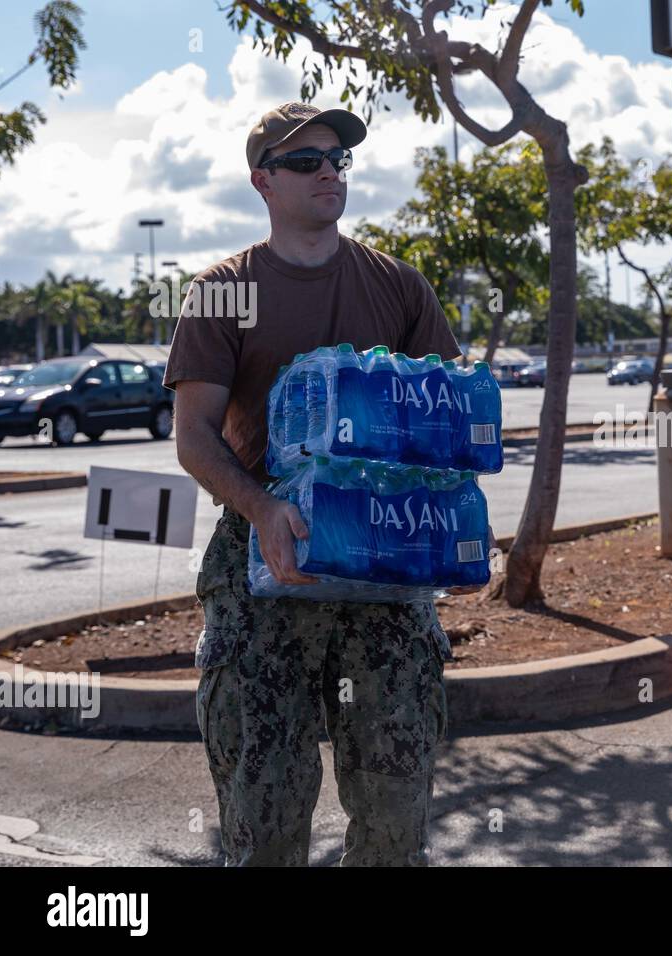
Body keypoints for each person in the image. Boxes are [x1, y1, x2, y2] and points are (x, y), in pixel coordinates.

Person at [165, 102, 464, 866]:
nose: (329, 170)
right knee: (263, 808)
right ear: (263, 180)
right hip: (265, 559)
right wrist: (262, 508)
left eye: (337, 158)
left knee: (396, 804)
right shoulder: (223, 291)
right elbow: (193, 435)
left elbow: (448, 420)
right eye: (307, 161)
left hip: (383, 562)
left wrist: (444, 525)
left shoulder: (397, 286)